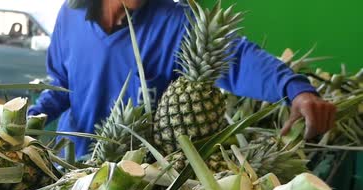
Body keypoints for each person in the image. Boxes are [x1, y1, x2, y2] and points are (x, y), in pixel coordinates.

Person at [27, 0, 337, 158]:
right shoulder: (70, 14)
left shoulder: (174, 21)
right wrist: (28, 122)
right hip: (68, 163)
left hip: (131, 178)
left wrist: (295, 90)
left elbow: (237, 56)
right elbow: (60, 85)